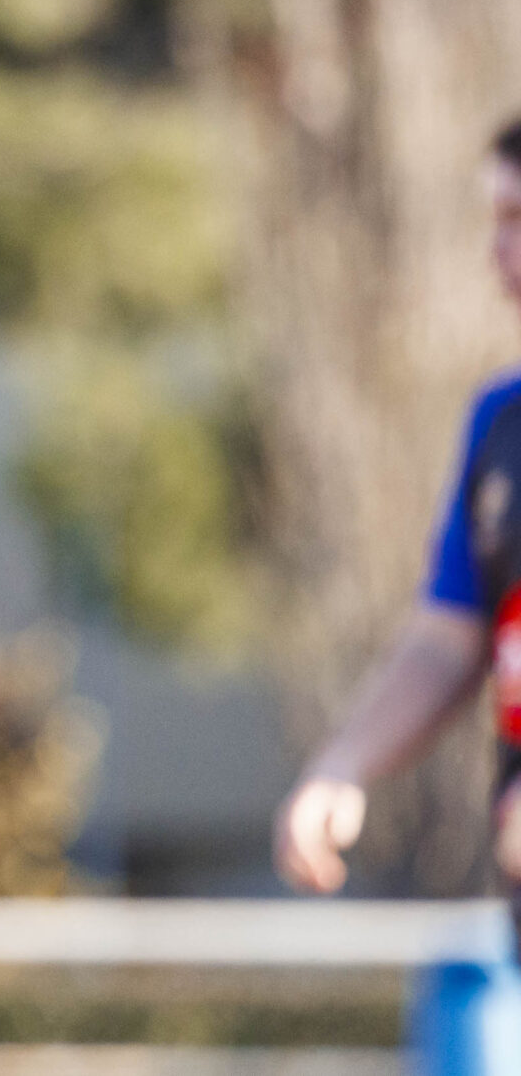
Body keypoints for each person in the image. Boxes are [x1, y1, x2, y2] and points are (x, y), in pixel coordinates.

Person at [275, 117, 521, 899]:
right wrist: (343, 763)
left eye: (517, 217)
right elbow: (449, 639)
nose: (497, 249)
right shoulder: (500, 420)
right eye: (494, 218)